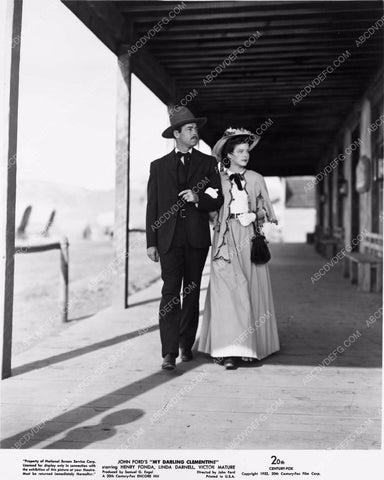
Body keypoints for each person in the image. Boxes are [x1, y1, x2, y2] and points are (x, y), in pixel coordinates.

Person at [146, 107, 224, 370]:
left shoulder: (208, 163)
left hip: (196, 240)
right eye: (189, 129)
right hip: (168, 240)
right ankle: (168, 353)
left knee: (190, 293)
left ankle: (185, 345)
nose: (195, 133)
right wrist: (151, 241)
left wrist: (198, 198)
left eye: (195, 129)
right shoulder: (158, 167)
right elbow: (152, 206)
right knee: (170, 293)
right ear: (176, 134)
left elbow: (218, 198)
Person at [196, 127, 280, 369]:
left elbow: (266, 211)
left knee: (251, 290)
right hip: (224, 239)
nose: (245, 155)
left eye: (247, 151)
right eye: (240, 151)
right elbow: (209, 209)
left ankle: (249, 348)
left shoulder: (256, 178)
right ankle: (227, 350)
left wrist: (253, 215)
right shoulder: (217, 179)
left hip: (249, 238)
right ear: (229, 155)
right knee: (226, 293)